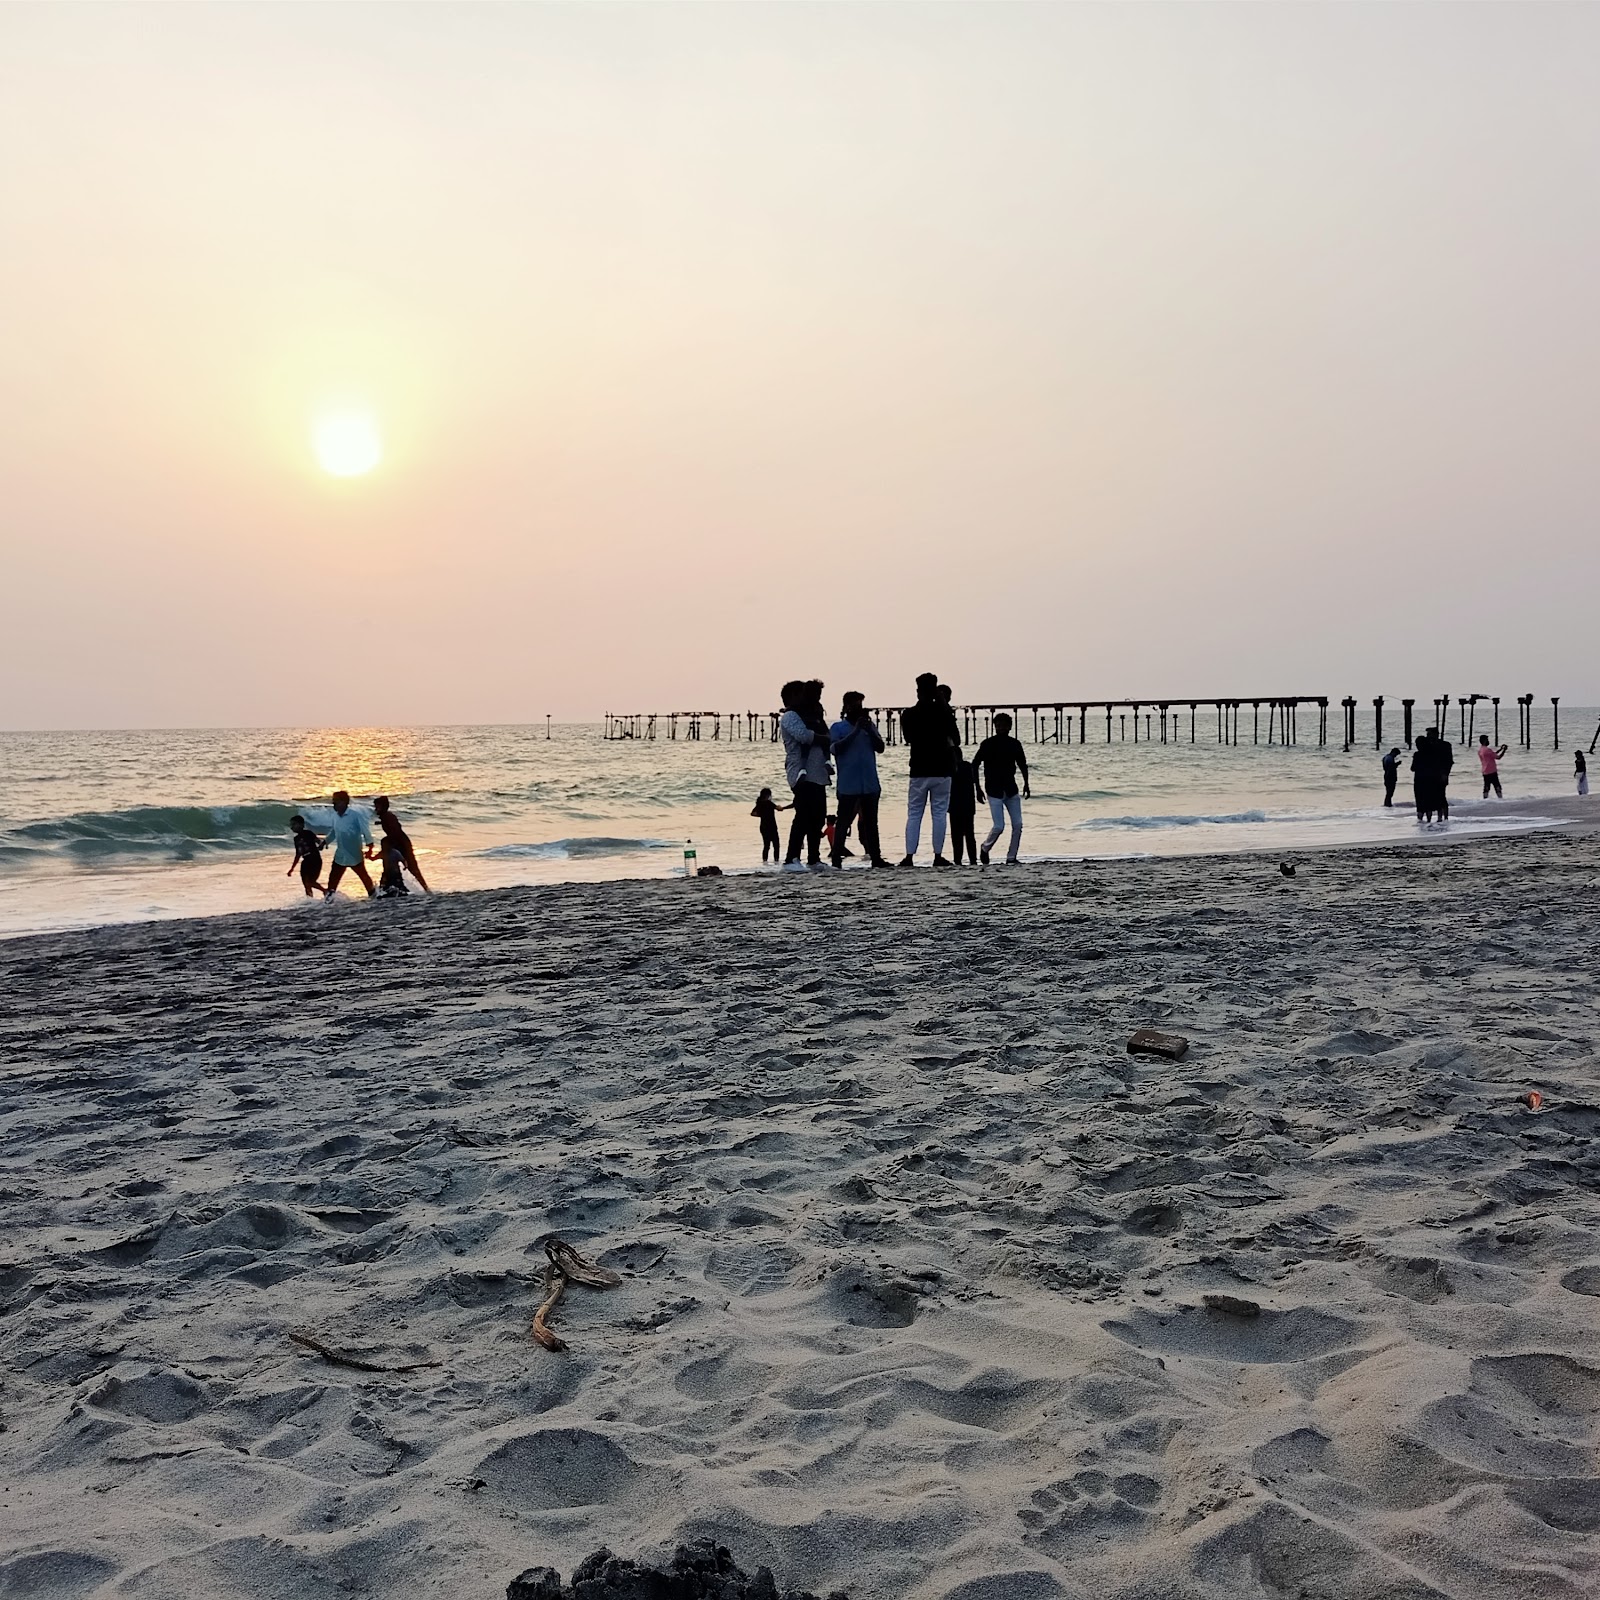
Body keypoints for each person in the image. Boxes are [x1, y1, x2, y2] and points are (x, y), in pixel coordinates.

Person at [900, 672, 960, 866]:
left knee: (914, 813)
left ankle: (909, 856)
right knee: (939, 813)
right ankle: (938, 855)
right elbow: (956, 739)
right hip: (941, 768)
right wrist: (944, 704)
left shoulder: (908, 714)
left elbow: (908, 738)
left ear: (918, 691)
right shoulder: (943, 713)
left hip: (918, 767)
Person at [829, 691, 889, 868]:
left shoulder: (869, 727)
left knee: (871, 823)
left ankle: (876, 858)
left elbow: (880, 748)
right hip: (849, 784)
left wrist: (869, 729)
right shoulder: (838, 728)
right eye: (855, 705)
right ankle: (836, 858)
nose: (858, 709)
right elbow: (835, 749)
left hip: (869, 782)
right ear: (847, 707)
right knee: (844, 822)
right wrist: (855, 732)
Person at [779, 678, 832, 870]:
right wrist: (825, 739)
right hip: (800, 774)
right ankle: (791, 858)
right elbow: (804, 736)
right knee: (803, 815)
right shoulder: (790, 716)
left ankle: (814, 858)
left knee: (818, 816)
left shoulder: (812, 715)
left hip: (817, 773)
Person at [974, 712, 1031, 864]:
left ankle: (1011, 857)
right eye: (998, 726)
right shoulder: (987, 744)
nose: (1001, 728)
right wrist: (977, 788)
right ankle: (985, 848)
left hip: (1011, 788)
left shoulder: (1015, 744)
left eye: (1004, 726)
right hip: (994, 789)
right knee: (999, 826)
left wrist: (1026, 783)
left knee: (1018, 825)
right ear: (995, 727)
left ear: (1009, 727)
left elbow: (1022, 764)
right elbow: (975, 764)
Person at [322, 790, 376, 897]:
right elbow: (333, 832)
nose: (333, 804)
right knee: (333, 877)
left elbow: (365, 830)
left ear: (344, 802)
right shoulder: (335, 816)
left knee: (363, 876)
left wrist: (370, 846)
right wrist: (325, 842)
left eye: (336, 802)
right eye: (333, 802)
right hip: (341, 853)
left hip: (354, 852)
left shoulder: (355, 815)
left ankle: (373, 895)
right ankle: (329, 899)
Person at [371, 796, 430, 890]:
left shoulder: (387, 817)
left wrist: (387, 845)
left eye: (377, 806)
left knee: (413, 868)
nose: (375, 809)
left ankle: (426, 889)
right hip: (399, 842)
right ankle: (426, 890)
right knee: (409, 868)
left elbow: (395, 832)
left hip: (402, 843)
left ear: (383, 806)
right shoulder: (386, 816)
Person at [1410, 728, 1453, 823]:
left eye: (1429, 734)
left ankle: (1443, 817)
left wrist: (1445, 773)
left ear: (1435, 734)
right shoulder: (1429, 746)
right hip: (1432, 776)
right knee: (1431, 797)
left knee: (1441, 796)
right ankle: (1437, 818)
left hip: (1440, 774)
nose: (1428, 737)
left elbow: (1449, 761)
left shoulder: (1444, 745)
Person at [948, 756, 980, 865]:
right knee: (969, 834)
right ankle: (973, 859)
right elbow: (974, 782)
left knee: (956, 835)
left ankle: (957, 859)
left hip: (954, 805)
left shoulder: (950, 769)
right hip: (968, 804)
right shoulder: (968, 766)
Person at [285, 815, 325, 898]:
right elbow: (298, 854)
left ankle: (325, 891)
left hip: (315, 859)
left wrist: (321, 845)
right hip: (305, 861)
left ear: (301, 825)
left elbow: (319, 842)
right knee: (306, 884)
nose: (292, 827)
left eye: (294, 824)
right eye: (291, 825)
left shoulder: (308, 833)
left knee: (311, 881)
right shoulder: (296, 839)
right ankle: (310, 900)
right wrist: (292, 868)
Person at [751, 787, 789, 863]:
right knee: (776, 845)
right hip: (772, 826)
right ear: (768, 795)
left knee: (766, 846)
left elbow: (753, 813)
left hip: (763, 826)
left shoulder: (759, 803)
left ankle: (765, 862)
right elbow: (778, 809)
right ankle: (776, 861)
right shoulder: (769, 803)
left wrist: (762, 815)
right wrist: (783, 807)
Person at [1476, 734, 1509, 799]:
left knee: (1486, 787)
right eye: (1487, 740)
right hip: (1492, 771)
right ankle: (1500, 798)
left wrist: (1500, 749)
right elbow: (1498, 757)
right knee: (1497, 786)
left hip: (1485, 771)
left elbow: (1492, 754)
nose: (1488, 741)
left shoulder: (1480, 750)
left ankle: (1485, 799)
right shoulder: (1488, 750)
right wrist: (1504, 750)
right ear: (1484, 741)